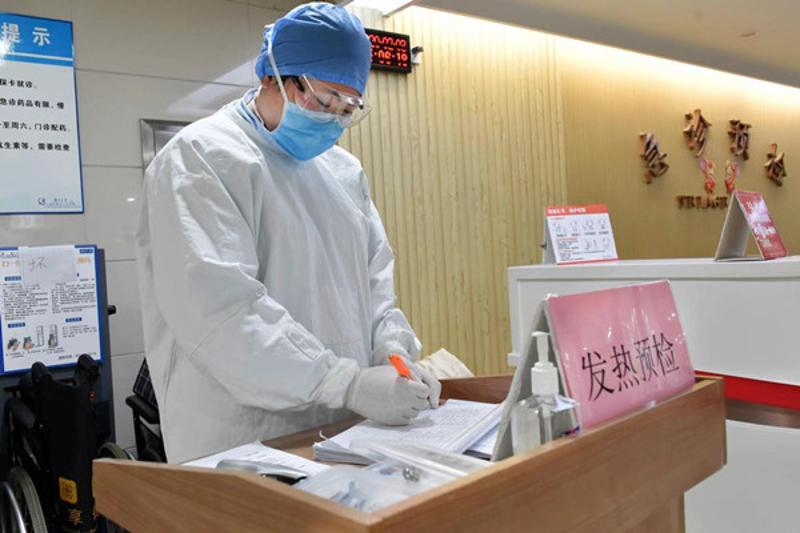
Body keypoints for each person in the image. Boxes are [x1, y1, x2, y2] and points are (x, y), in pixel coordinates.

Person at [134, 3, 440, 463]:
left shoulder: (342, 172)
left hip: (345, 431)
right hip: (241, 441)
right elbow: (221, 313)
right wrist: (348, 384)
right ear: (271, 76)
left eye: (348, 108)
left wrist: (393, 352)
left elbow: (375, 283)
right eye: (324, 101)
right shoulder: (201, 160)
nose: (333, 120)